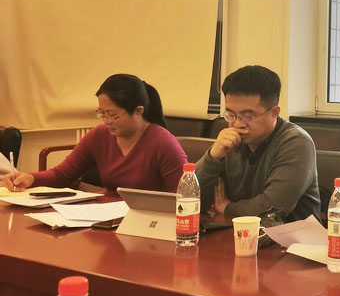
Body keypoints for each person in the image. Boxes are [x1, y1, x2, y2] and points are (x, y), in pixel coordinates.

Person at [2, 74, 187, 192]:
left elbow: (185, 198)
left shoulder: (163, 143)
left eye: (113, 115)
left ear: (138, 111)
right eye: (102, 113)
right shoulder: (99, 135)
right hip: (106, 218)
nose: (106, 121)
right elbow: (63, 175)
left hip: (149, 224)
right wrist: (30, 178)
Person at [196, 65, 320, 222]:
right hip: (238, 232)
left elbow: (272, 209)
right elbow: (192, 201)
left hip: (293, 236)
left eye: (248, 116)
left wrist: (228, 208)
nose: (238, 124)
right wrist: (213, 157)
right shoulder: (230, 140)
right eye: (231, 115)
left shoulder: (296, 142)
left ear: (274, 113)